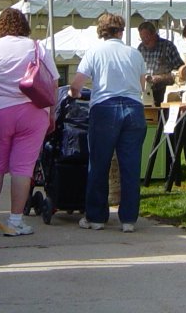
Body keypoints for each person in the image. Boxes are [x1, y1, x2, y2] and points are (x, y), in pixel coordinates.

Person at [0, 8, 57, 236]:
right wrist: (51, 114)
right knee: (23, 168)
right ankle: (15, 220)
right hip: (33, 112)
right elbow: (53, 82)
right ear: (24, 25)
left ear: (0, 26)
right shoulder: (37, 47)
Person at [69, 13, 147, 233]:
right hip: (133, 108)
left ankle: (96, 217)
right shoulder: (134, 53)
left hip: (104, 107)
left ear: (101, 31)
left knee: (99, 163)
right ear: (121, 31)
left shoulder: (94, 52)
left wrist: (75, 94)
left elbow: (77, 84)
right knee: (130, 166)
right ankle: (129, 219)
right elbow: (141, 86)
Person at [137, 21, 182, 105]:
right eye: (142, 38)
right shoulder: (141, 48)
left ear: (154, 34)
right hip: (145, 92)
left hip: (164, 93)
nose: (145, 42)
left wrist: (162, 77)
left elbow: (180, 72)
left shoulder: (168, 46)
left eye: (146, 38)